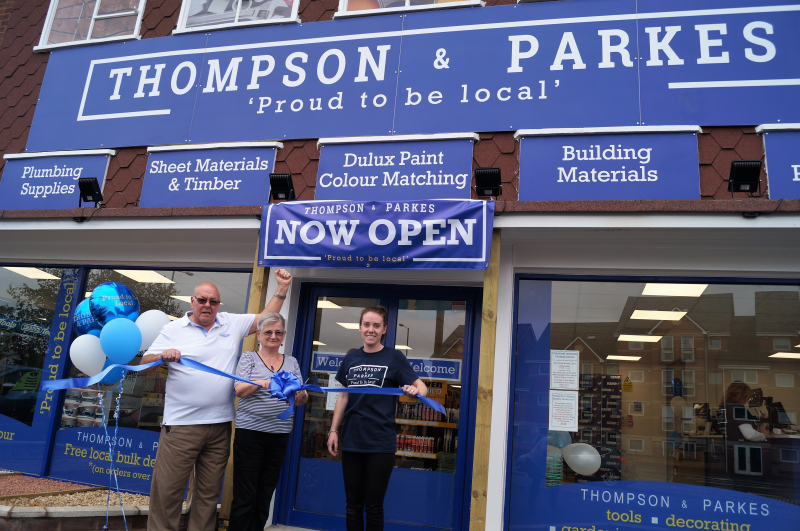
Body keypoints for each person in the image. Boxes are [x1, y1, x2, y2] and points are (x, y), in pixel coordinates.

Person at [141, 269, 292, 531]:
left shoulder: (229, 323)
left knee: (208, 497)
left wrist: (282, 288)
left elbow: (265, 318)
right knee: (168, 494)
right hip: (181, 426)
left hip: (220, 425)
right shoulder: (173, 328)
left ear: (219, 304)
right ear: (192, 301)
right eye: (202, 300)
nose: (207, 306)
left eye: (213, 301)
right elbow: (144, 366)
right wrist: (161, 356)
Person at [326, 306, 428, 531]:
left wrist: (415, 390)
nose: (370, 329)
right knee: (352, 506)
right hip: (352, 440)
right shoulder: (351, 357)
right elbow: (343, 396)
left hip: (380, 442)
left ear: (384, 330)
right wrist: (334, 430)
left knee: (373, 507)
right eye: (366, 324)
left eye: (376, 326)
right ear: (360, 327)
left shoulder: (394, 357)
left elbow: (423, 387)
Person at [229, 312, 307, 531]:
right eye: (268, 332)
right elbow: (239, 391)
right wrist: (262, 382)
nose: (273, 336)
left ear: (283, 336)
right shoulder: (248, 358)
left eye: (278, 332)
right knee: (245, 494)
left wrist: (301, 396)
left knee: (265, 494)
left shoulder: (292, 362)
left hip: (279, 434)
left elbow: (301, 398)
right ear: (259, 334)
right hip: (250, 434)